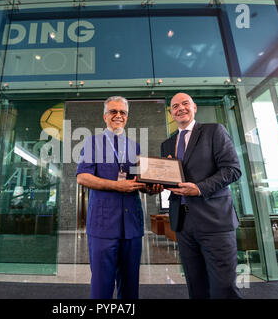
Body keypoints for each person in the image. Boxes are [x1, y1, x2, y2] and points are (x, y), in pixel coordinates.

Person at [161, 92, 242, 299]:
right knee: (196, 287)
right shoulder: (167, 145)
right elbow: (170, 178)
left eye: (185, 103)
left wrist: (199, 188)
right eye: (175, 106)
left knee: (224, 288)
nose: (180, 108)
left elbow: (232, 169)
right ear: (171, 112)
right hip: (184, 223)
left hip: (215, 221)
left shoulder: (214, 131)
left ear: (194, 107)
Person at [76, 96, 153, 299]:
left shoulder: (135, 147)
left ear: (127, 117)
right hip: (103, 225)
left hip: (132, 226)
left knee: (130, 287)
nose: (118, 115)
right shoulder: (92, 143)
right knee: (102, 287)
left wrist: (153, 186)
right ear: (105, 116)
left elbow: (141, 181)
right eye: (113, 111)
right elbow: (82, 177)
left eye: (123, 112)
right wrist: (117, 186)